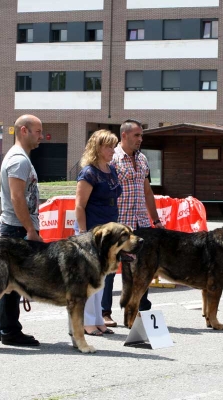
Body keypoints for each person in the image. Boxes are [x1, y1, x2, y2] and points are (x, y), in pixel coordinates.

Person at [102, 119, 164, 327]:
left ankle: (140, 308)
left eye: (141, 135)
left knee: (142, 267)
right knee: (111, 267)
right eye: (137, 135)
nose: (140, 139)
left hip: (141, 222)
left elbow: (147, 190)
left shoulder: (143, 158)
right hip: (119, 223)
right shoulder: (113, 159)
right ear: (124, 136)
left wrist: (155, 219)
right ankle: (104, 312)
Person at [0, 114, 44, 347]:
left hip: (15, 228)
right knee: (12, 284)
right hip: (16, 229)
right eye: (38, 131)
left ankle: (4, 328)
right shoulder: (19, 160)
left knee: (9, 283)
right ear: (23, 130)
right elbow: (17, 197)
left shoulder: (20, 158)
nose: (41, 137)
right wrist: (30, 230)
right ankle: (10, 331)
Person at [74, 129, 122, 336]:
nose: (113, 150)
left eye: (114, 146)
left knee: (100, 279)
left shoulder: (111, 170)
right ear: (98, 148)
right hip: (92, 232)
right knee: (88, 280)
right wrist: (83, 233)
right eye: (109, 146)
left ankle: (97, 319)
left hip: (108, 232)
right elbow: (79, 206)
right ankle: (85, 322)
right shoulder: (88, 172)